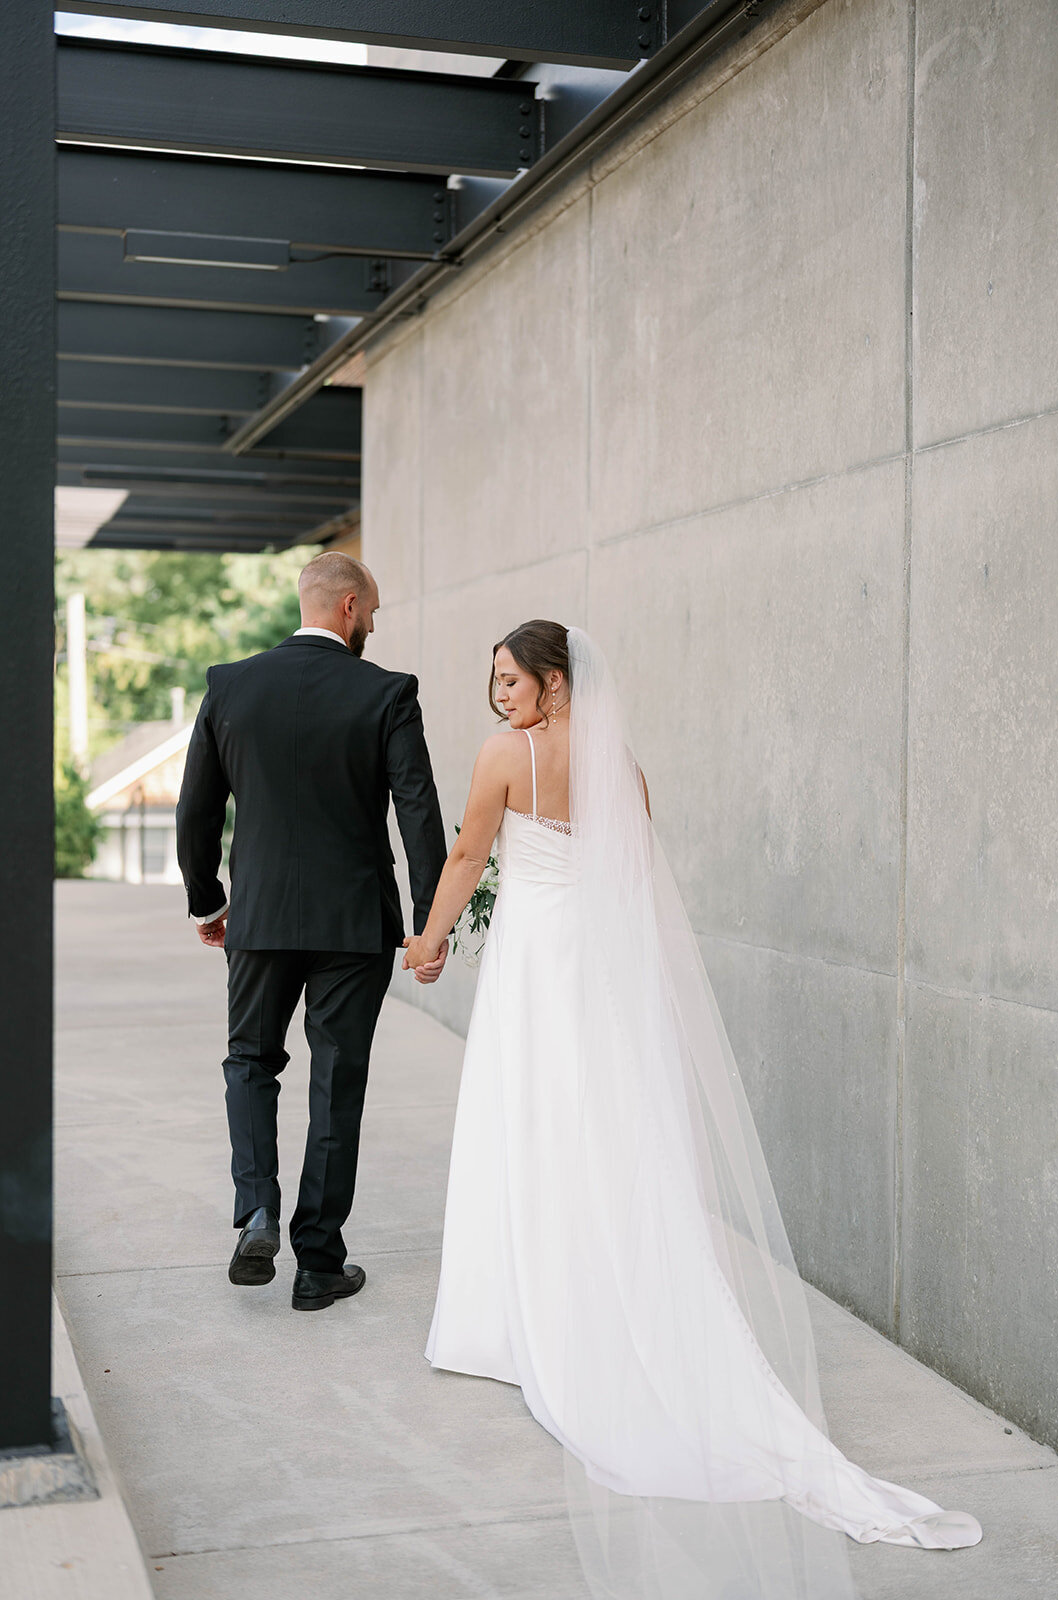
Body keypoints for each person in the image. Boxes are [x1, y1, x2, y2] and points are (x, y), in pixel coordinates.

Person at [401, 620, 982, 1600]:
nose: (498, 696)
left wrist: (428, 940)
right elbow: (634, 866)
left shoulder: (508, 756)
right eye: (492, 683)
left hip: (536, 966)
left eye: (509, 680)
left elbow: (466, 851)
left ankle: (508, 1317)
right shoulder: (616, 761)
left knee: (528, 1119)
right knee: (598, 1127)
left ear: (551, 680)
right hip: (594, 962)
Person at [176, 552, 449, 1313]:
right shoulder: (387, 692)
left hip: (259, 918)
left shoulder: (230, 684)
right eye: (374, 613)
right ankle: (318, 1264)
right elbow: (416, 810)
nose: (373, 627)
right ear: (350, 606)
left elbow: (195, 807)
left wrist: (209, 902)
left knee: (249, 1062)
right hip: (354, 924)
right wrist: (429, 922)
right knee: (337, 1083)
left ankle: (257, 1209)